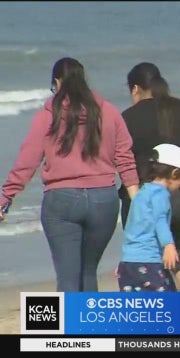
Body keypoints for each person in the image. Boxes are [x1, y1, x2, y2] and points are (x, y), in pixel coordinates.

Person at [0, 57, 139, 292]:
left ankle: (69, 326)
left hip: (61, 200)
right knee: (88, 272)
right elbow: (125, 157)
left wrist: (5, 198)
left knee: (67, 277)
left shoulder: (48, 115)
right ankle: (88, 326)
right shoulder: (109, 112)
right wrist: (137, 200)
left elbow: (27, 161)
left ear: (57, 82)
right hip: (103, 200)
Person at [120, 62, 180, 291]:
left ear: (135, 89)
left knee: (147, 255)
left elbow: (121, 160)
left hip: (144, 197)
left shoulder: (127, 118)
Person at [118, 144, 180, 292]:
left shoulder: (141, 193)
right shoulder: (161, 194)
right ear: (175, 174)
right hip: (149, 263)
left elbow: (131, 226)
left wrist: (125, 259)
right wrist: (169, 245)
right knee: (167, 305)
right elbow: (160, 220)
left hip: (128, 264)